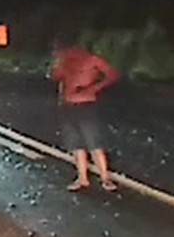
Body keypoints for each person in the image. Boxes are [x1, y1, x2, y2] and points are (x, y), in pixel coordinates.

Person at [50, 39, 121, 191]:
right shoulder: (65, 62)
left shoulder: (92, 60)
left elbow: (112, 74)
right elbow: (56, 77)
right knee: (75, 144)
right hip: (68, 105)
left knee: (93, 142)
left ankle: (105, 178)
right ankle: (82, 178)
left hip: (86, 105)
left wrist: (95, 88)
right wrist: (61, 65)